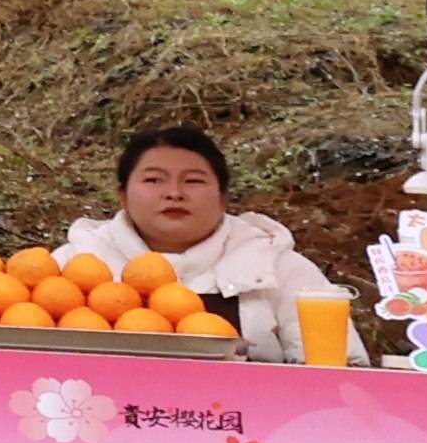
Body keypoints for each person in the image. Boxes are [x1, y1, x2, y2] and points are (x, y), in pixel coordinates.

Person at [63, 126, 327, 361]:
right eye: (154, 180)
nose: (174, 193)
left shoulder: (278, 266)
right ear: (122, 195)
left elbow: (336, 368)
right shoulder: (74, 263)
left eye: (193, 181)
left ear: (222, 197)